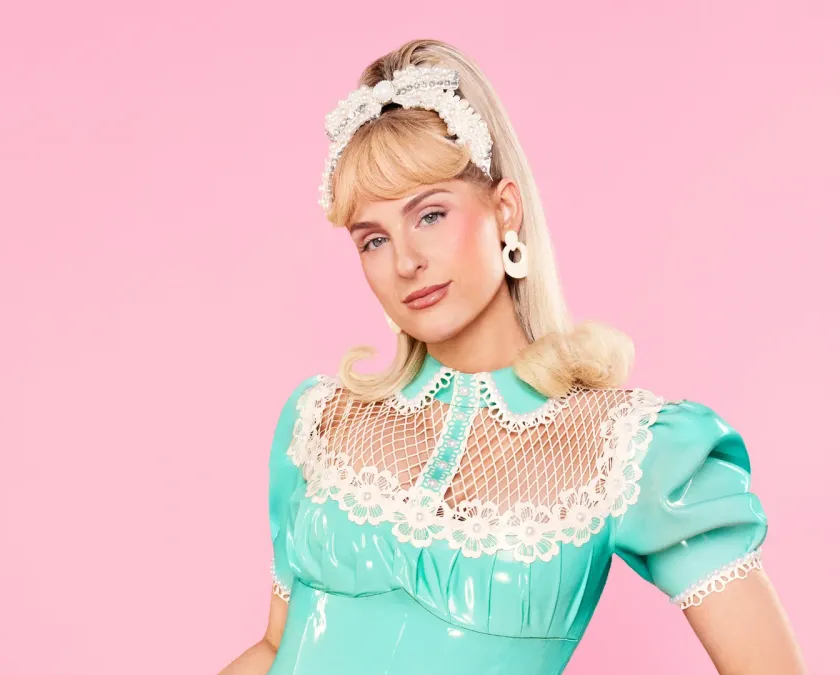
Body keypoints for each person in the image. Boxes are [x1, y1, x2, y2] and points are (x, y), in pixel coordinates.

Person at [220, 38, 805, 675]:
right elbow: (275, 649)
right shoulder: (322, 421)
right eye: (373, 240)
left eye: (430, 215)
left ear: (504, 210)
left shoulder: (629, 447)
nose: (406, 261)